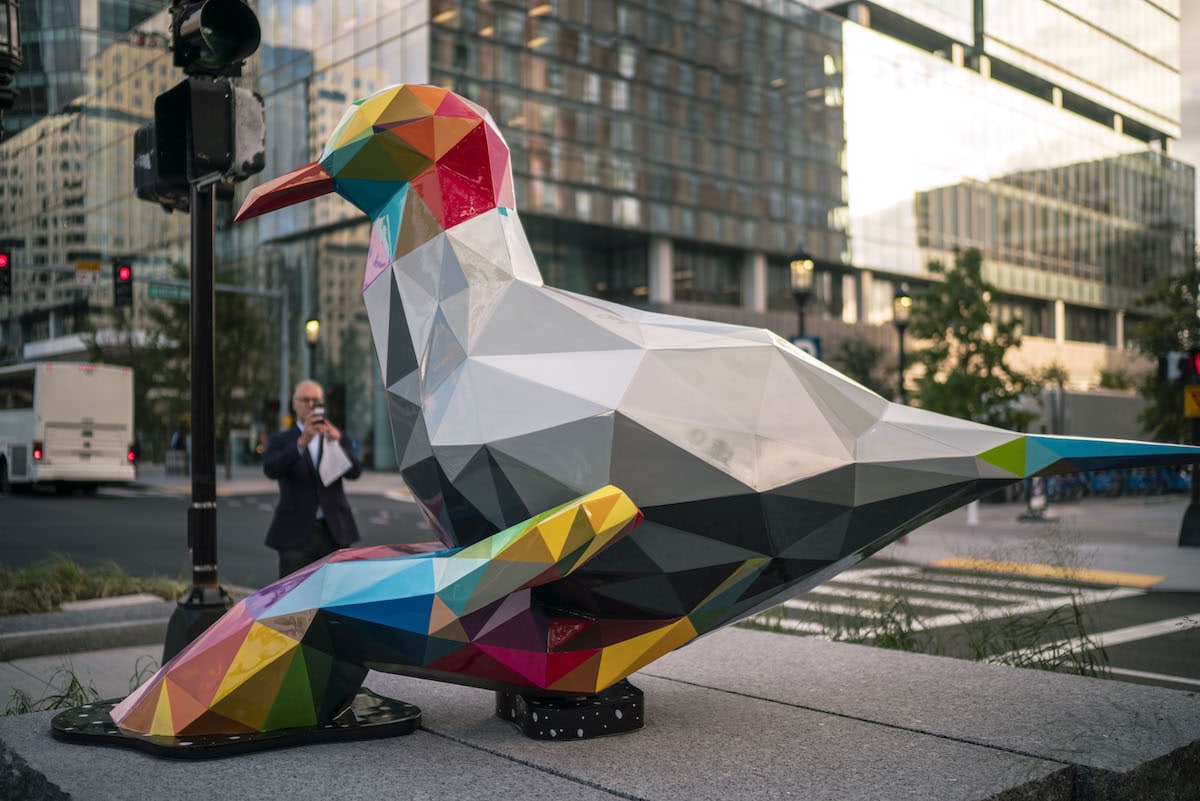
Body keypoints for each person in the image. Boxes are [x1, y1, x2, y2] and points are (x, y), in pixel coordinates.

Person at [262, 379, 364, 579]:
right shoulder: (281, 440)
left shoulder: (337, 436)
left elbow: (355, 472)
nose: (311, 405)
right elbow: (271, 469)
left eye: (316, 400)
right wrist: (301, 443)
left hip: (334, 531)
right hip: (295, 533)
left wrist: (339, 444)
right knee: (294, 596)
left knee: (336, 595)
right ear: (294, 403)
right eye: (305, 400)